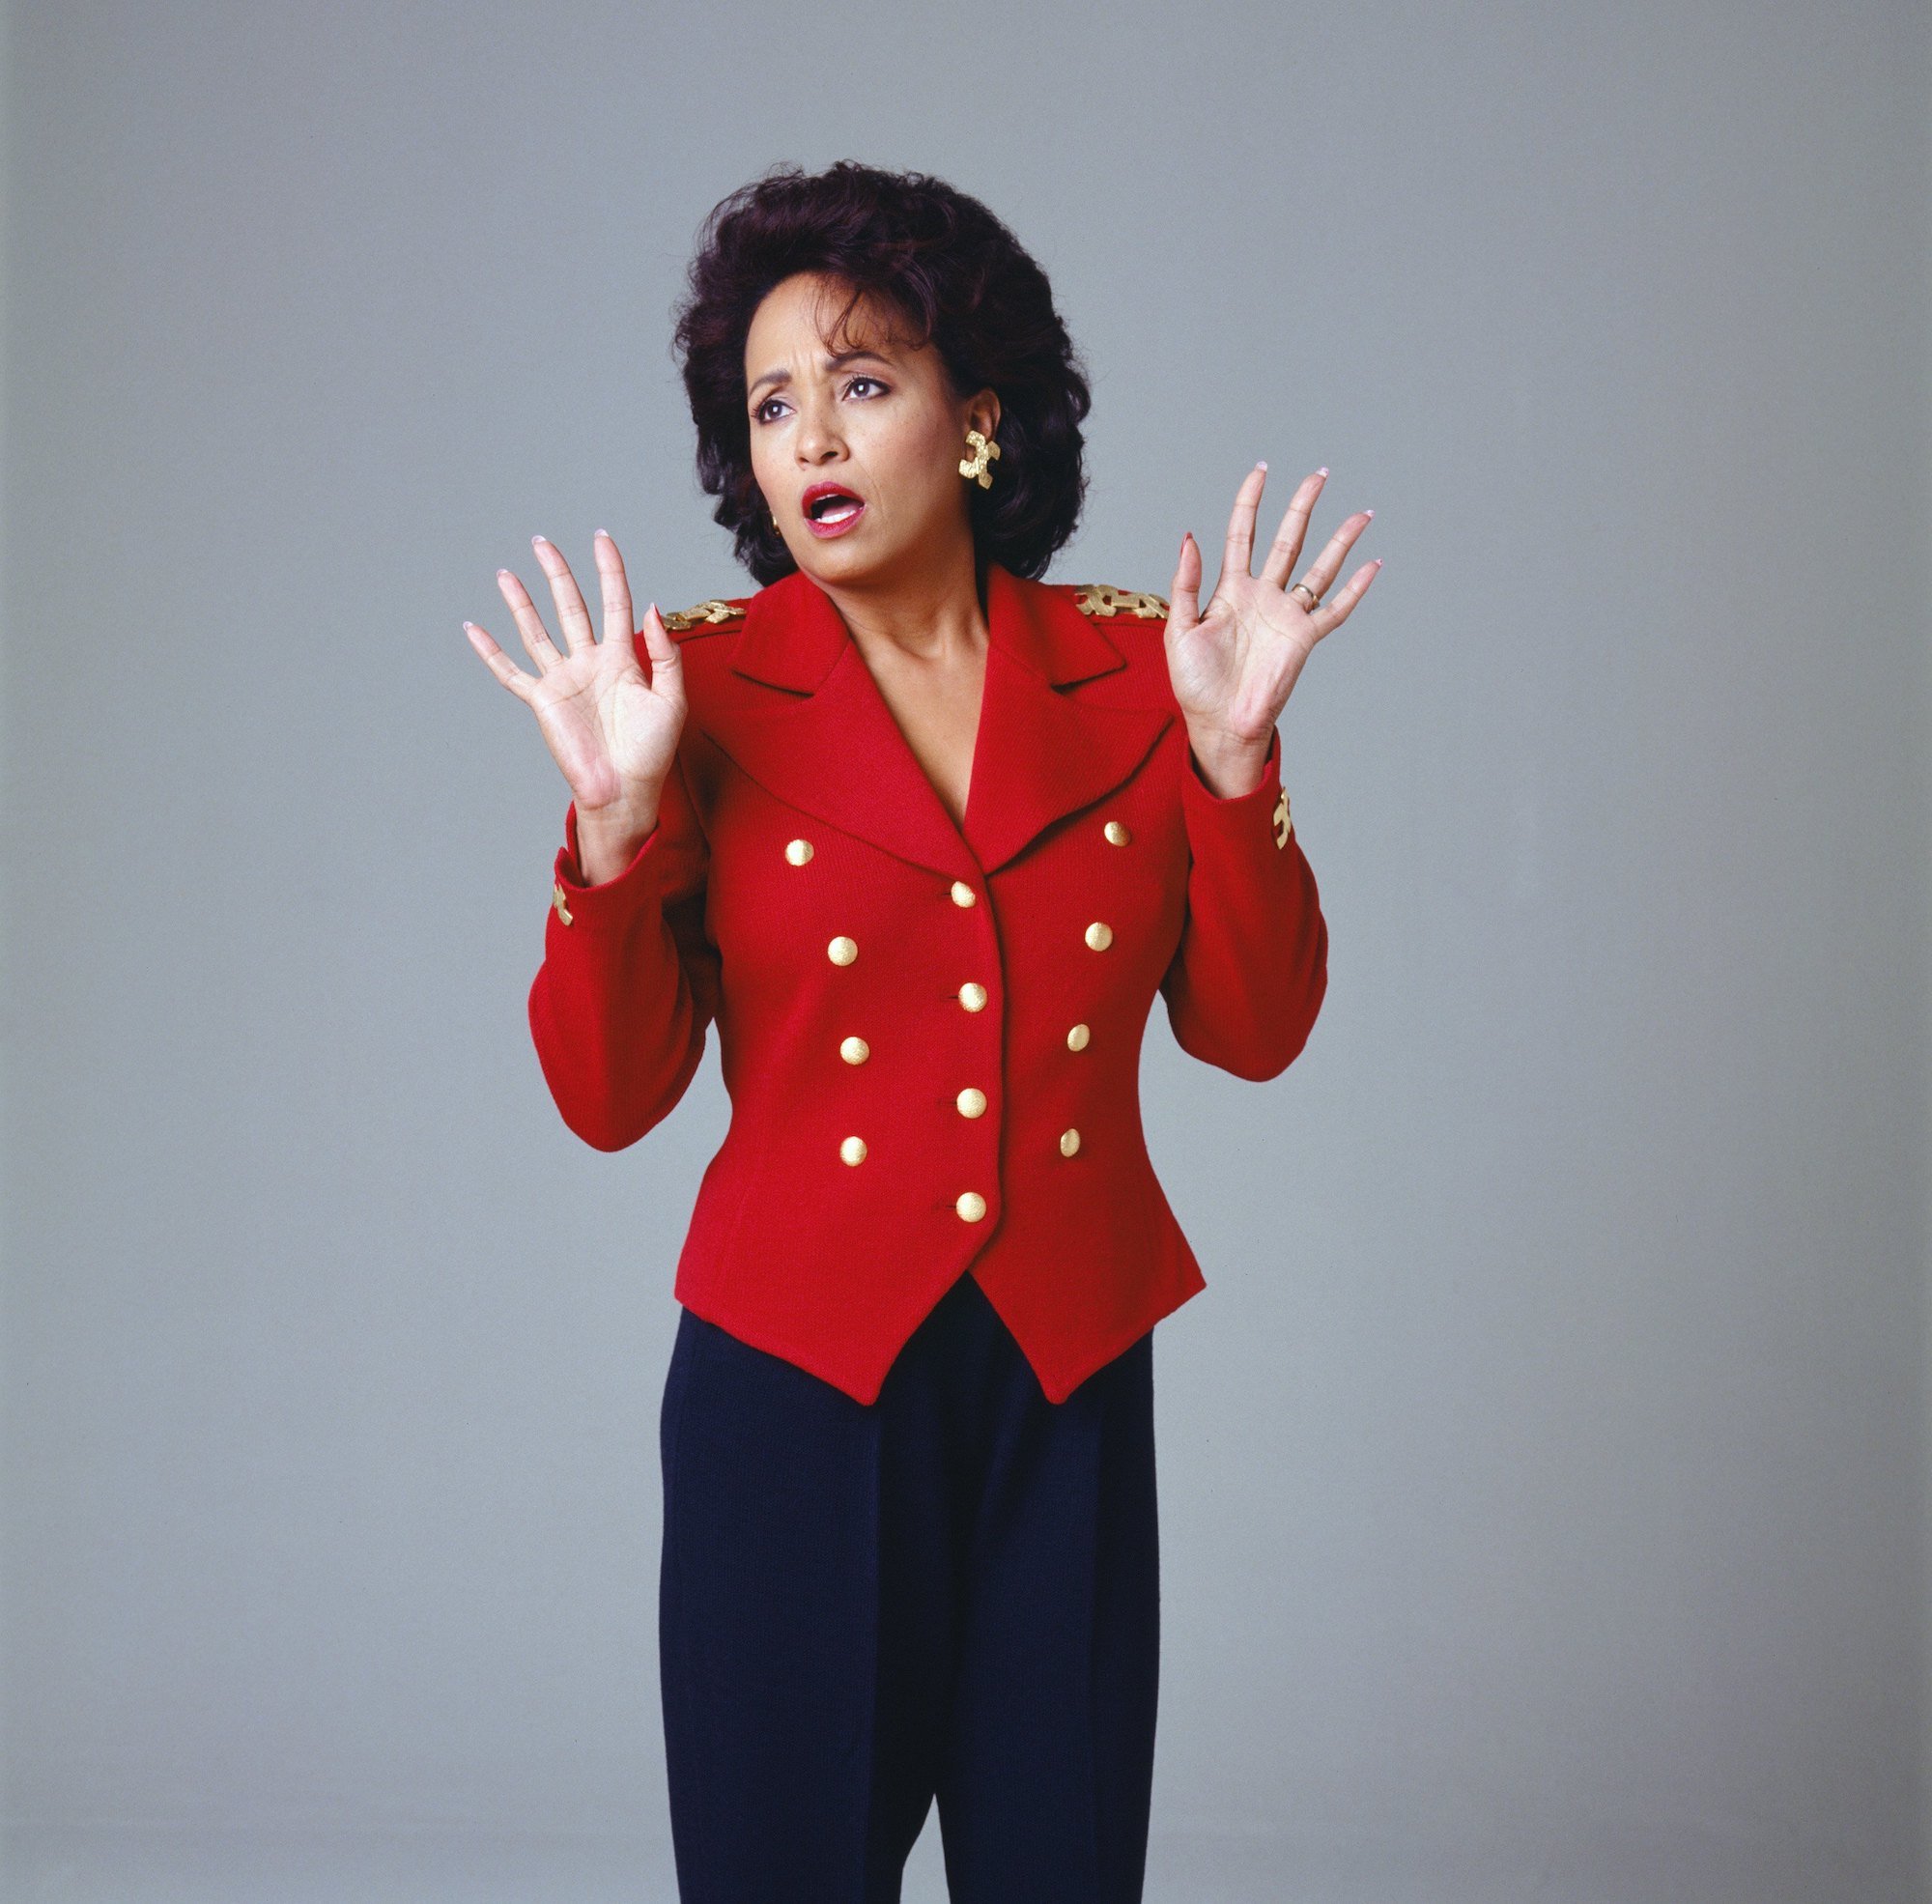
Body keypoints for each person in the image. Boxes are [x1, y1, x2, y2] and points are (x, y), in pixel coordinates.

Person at [463, 159, 1378, 1904]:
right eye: (773, 404)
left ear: (978, 420)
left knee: (1063, 1871)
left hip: (1067, 1379)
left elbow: (1254, 1037)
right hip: (793, 1390)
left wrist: (1238, 766)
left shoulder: (1139, 673)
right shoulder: (691, 691)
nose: (809, 439)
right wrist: (606, 834)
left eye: (864, 385)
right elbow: (607, 1099)